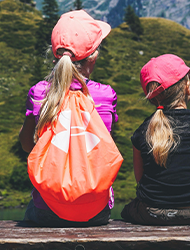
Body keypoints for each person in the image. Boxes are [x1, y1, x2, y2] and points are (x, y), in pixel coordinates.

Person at [19, 10, 118, 227]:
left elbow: (27, 146)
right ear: (93, 56)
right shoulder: (105, 95)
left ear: (55, 54)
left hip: (47, 210)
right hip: (96, 212)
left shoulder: (38, 93)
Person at [121, 54, 190, 225]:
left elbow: (140, 178)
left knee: (128, 210)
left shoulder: (142, 130)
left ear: (151, 96)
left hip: (152, 213)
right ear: (186, 87)